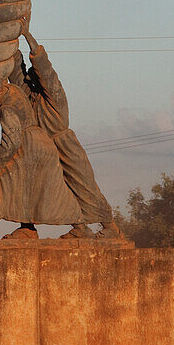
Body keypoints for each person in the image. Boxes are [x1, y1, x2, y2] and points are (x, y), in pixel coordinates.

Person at [16, 15, 121, 239]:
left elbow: (44, 67)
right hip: (42, 150)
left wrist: (27, 35)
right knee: (33, 183)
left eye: (35, 76)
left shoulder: (54, 92)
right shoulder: (30, 97)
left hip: (64, 144)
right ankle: (29, 227)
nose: (32, 79)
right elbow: (17, 74)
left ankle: (110, 226)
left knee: (83, 184)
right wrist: (10, 37)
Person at [0, 75, 84, 238]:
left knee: (2, 181)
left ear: (0, 91)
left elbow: (11, 142)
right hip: (43, 142)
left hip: (27, 146)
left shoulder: (7, 109)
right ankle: (76, 228)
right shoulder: (14, 90)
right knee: (48, 187)